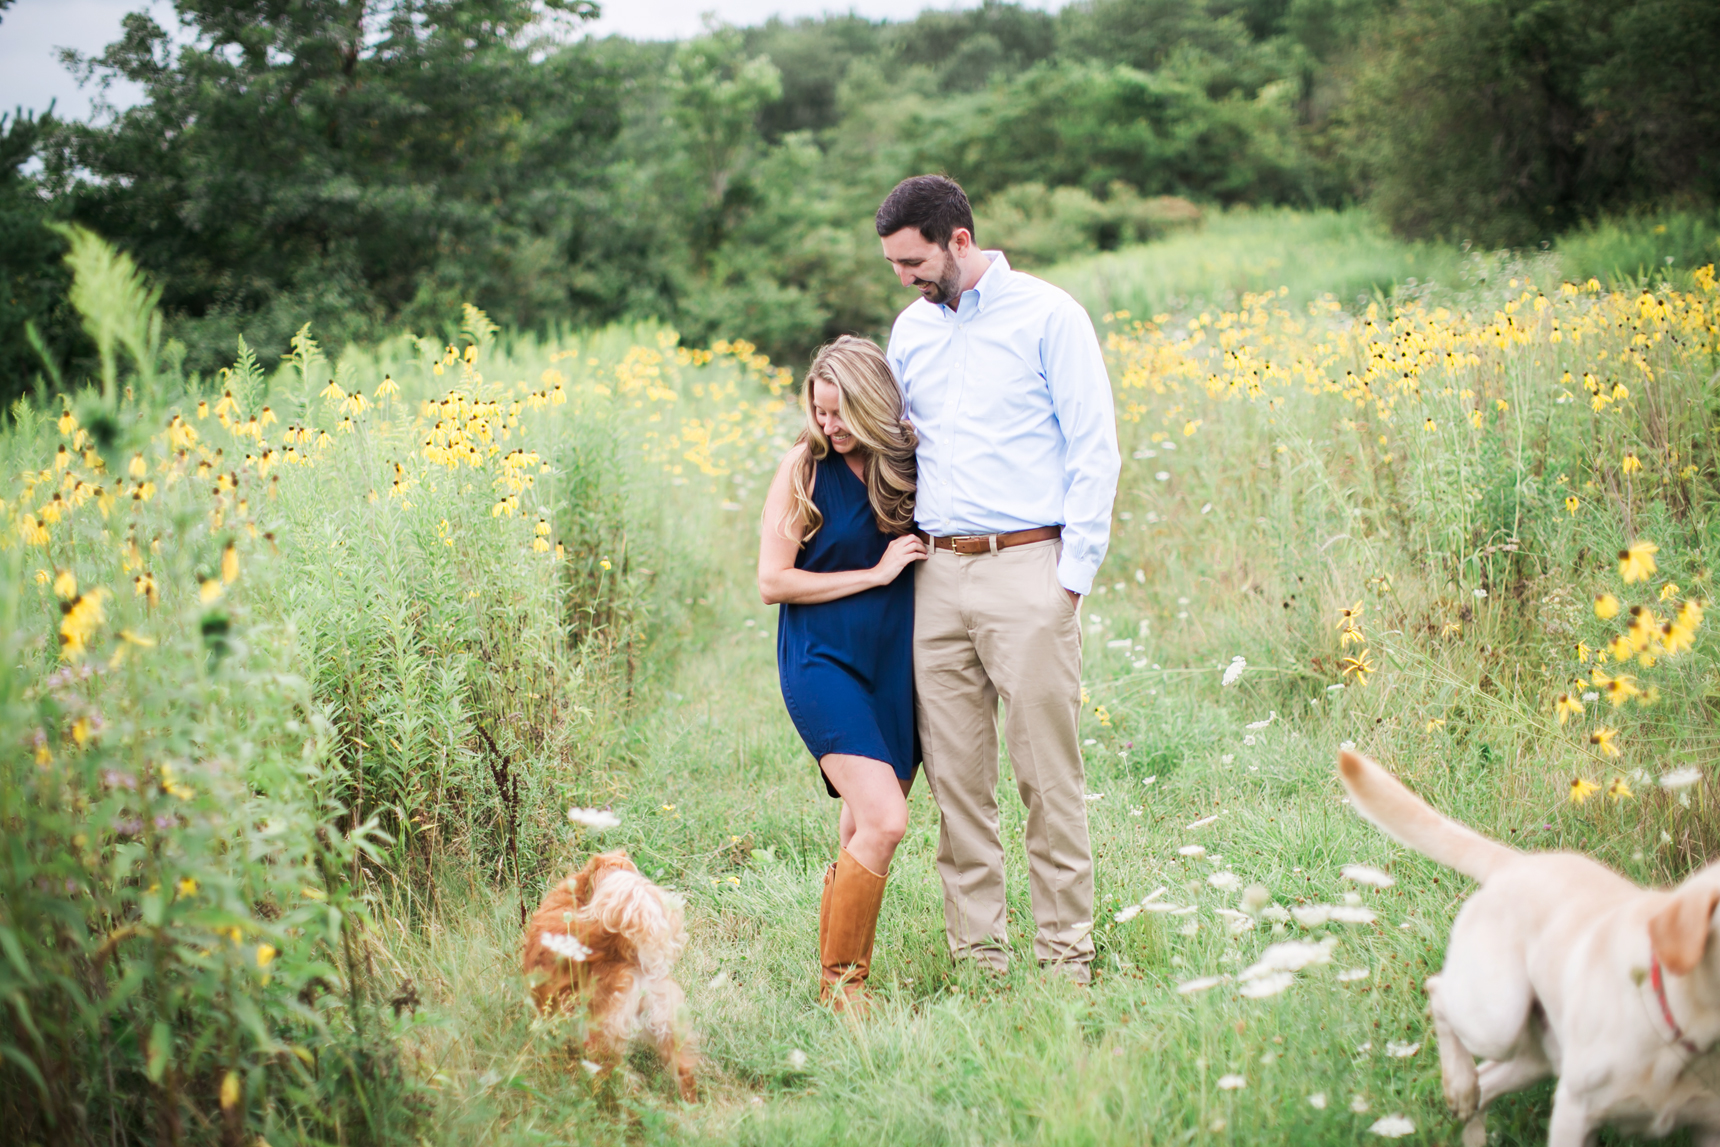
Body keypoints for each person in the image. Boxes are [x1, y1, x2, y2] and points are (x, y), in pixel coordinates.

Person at [877, 174, 1120, 986]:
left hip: (1029, 567)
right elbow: (897, 448)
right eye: (892, 264)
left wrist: (1069, 580)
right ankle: (978, 957)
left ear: (958, 240)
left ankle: (1065, 958)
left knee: (1047, 774)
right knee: (957, 779)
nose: (903, 277)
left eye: (912, 260)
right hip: (937, 575)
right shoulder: (908, 332)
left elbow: (1094, 448)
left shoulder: (1050, 316)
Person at [758, 334, 926, 1013]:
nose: (828, 426)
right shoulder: (804, 465)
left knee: (861, 818)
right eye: (820, 411)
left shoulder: (907, 461)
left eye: (840, 413)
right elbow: (773, 580)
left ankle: (835, 977)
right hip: (822, 659)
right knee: (886, 819)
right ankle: (844, 987)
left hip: (894, 662)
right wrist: (877, 572)